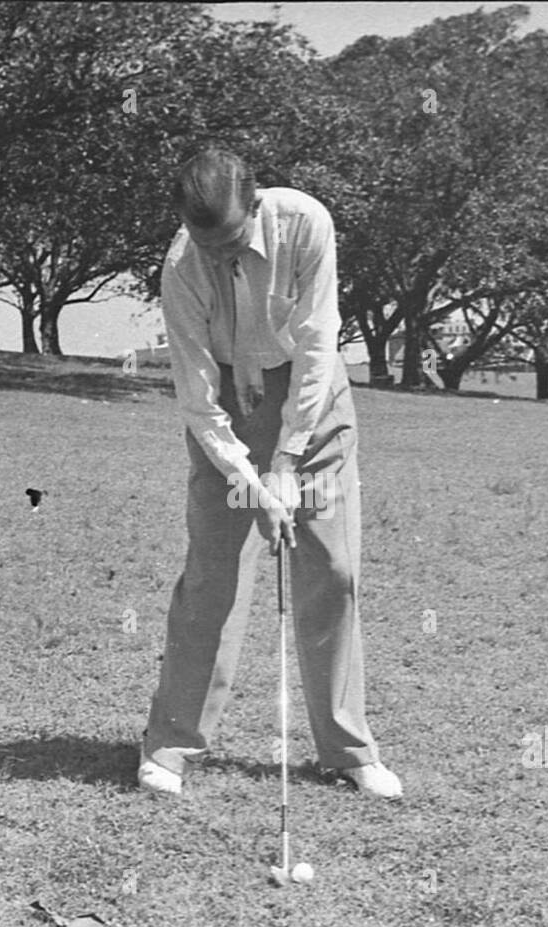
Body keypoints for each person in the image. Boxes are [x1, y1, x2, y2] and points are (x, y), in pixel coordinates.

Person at [139, 148, 401, 800]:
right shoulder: (181, 266)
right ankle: (170, 744)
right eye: (206, 245)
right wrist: (252, 481)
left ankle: (346, 749)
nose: (221, 259)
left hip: (312, 403)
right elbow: (198, 397)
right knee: (214, 579)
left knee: (334, 573)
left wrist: (287, 460)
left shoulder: (307, 224)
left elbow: (318, 348)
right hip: (228, 404)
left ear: (255, 207)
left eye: (230, 243)